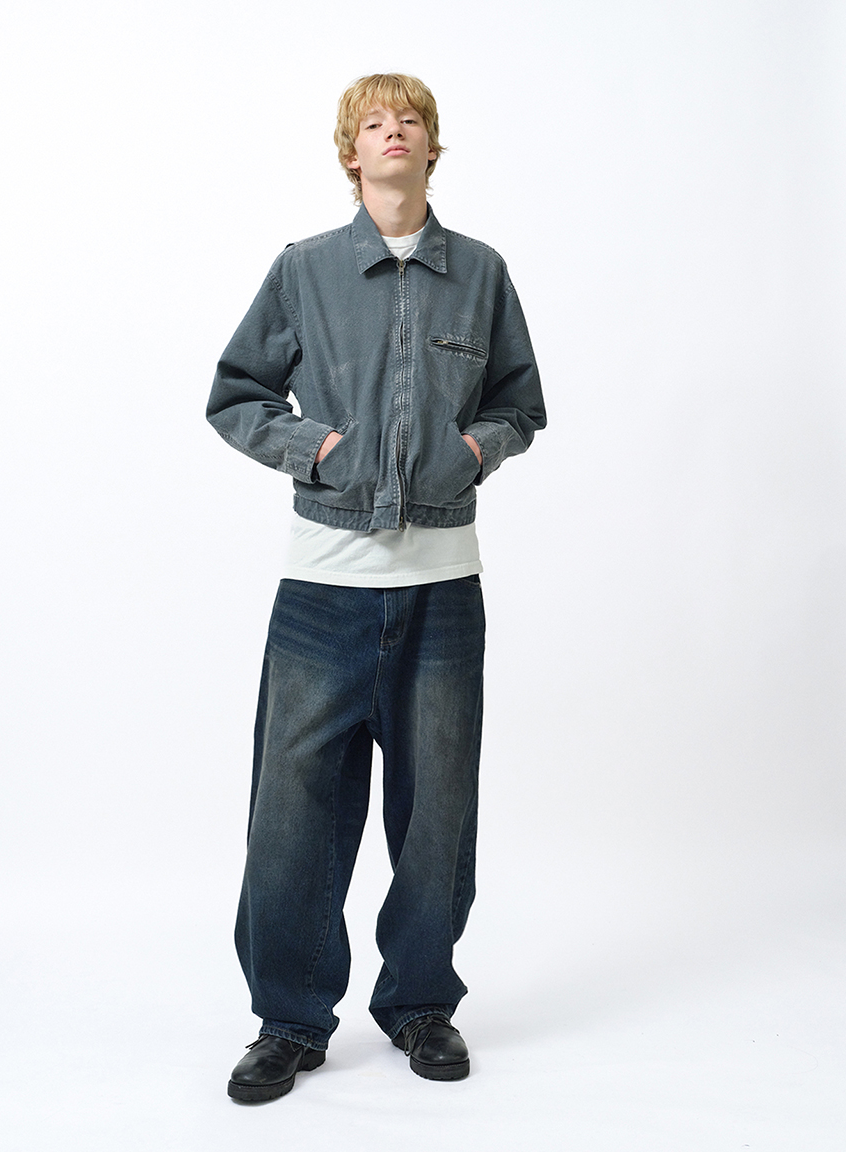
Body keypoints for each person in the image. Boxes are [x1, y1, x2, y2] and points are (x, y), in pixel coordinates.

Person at [207, 73, 546, 1103]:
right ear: (350, 154)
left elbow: (520, 403)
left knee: (437, 819)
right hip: (323, 591)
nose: (392, 132)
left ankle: (421, 1005)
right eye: (372, 122)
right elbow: (237, 392)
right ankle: (289, 1020)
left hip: (443, 591)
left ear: (432, 149)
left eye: (409, 121)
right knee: (293, 820)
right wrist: (317, 450)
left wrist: (473, 450)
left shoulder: (479, 272)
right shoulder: (304, 269)